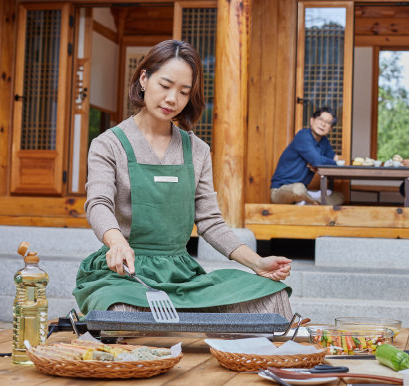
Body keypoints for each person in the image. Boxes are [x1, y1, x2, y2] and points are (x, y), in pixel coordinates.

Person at [73, 40, 292, 320]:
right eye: (165, 85)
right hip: (125, 275)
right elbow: (98, 203)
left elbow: (210, 221)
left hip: (182, 277)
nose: (171, 99)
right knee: (122, 311)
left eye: (183, 92)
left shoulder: (197, 150)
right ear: (144, 79)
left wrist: (258, 263)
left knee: (271, 298)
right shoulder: (109, 144)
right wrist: (117, 243)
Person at [270, 107, 344, 206]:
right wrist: (321, 163)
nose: (323, 124)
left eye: (328, 122)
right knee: (298, 189)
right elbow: (319, 161)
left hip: (303, 189)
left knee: (339, 197)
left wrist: (319, 166)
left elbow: (333, 159)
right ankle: (311, 200)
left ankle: (305, 199)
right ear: (312, 121)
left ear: (330, 129)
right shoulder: (303, 136)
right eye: (321, 119)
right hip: (281, 190)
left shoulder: (324, 142)